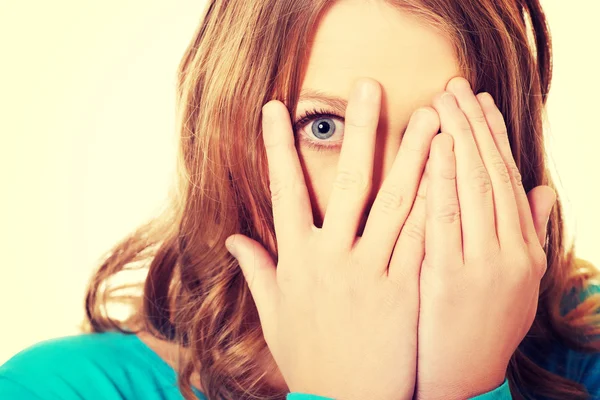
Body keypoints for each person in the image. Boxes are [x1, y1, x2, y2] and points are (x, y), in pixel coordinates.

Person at [1, 0, 599, 399]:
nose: (381, 194)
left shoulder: (590, 354)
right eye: (323, 127)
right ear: (226, 139)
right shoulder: (61, 388)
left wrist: (468, 386)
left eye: (439, 131)